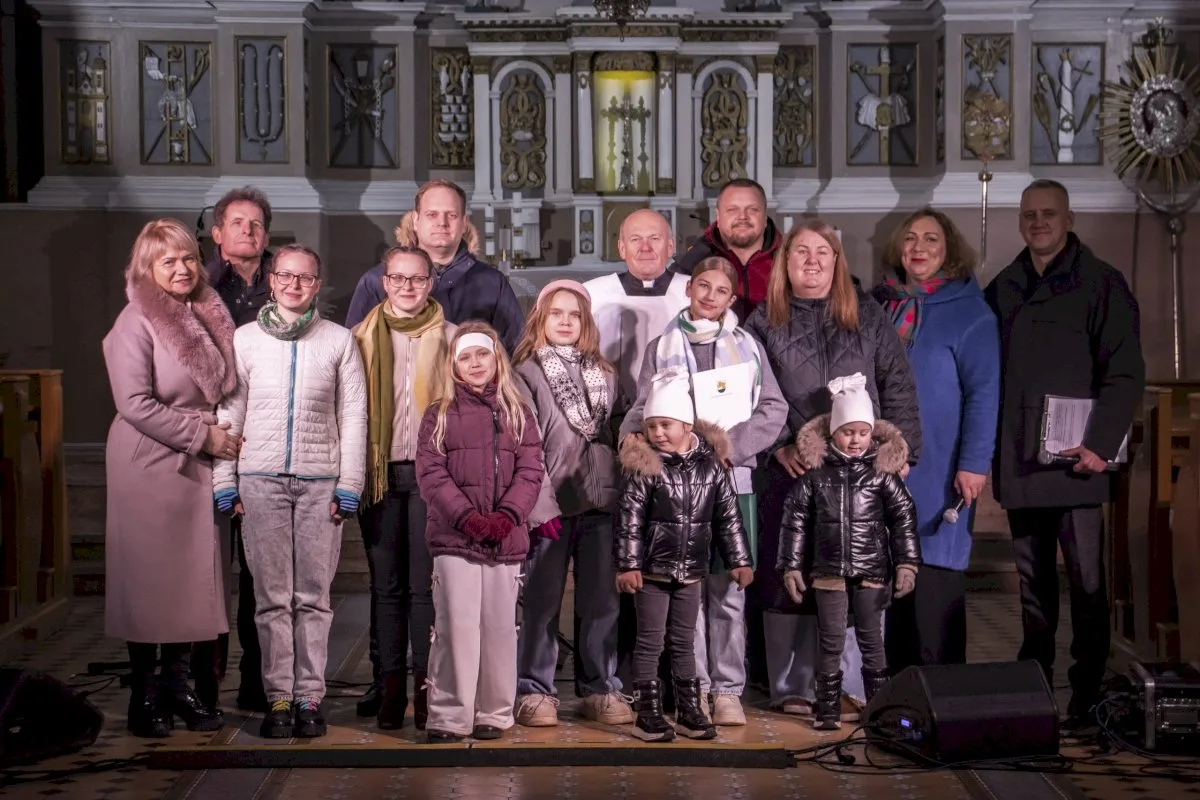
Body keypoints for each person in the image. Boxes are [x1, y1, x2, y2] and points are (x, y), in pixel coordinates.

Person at [744, 218, 921, 716]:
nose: (813, 261)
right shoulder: (763, 322)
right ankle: (793, 686)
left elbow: (898, 385)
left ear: (837, 263)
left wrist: (900, 452)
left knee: (857, 571)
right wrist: (778, 444)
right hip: (793, 474)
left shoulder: (866, 315)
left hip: (859, 475)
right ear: (786, 262)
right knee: (790, 576)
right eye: (802, 252)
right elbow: (750, 395)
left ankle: (855, 685)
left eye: (823, 253)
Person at [985, 179, 1144, 727]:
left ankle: (1088, 687)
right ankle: (1034, 678)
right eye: (1029, 214)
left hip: (1081, 460)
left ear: (1068, 218)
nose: (1038, 222)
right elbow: (988, 377)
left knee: (1086, 582)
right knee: (1034, 585)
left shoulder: (1103, 284)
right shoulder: (1005, 286)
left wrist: (1101, 446)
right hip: (1024, 458)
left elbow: (1125, 373)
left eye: (1049, 213)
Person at [620, 256, 787, 726]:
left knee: (728, 589)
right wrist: (630, 441)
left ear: (732, 299)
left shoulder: (748, 346)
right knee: (684, 585)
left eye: (721, 291)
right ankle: (694, 686)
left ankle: (729, 688)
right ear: (690, 289)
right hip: (676, 487)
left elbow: (773, 408)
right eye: (703, 287)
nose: (710, 296)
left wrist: (731, 447)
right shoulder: (662, 346)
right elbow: (643, 405)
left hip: (732, 479)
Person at [212, 244, 368, 739]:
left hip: (320, 481)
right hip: (260, 481)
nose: (294, 285)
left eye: (305, 278)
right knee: (272, 599)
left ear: (317, 284)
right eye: (286, 276)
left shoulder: (340, 341)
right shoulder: (245, 340)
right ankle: (279, 697)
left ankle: (310, 697)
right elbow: (229, 414)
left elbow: (355, 417)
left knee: (314, 598)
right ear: (273, 281)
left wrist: (350, 485)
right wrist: (224, 479)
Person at [102, 218, 237, 737]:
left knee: (190, 582)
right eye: (168, 261)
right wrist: (203, 437)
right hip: (152, 461)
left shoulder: (206, 310)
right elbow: (133, 403)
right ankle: (145, 693)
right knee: (151, 581)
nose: (181, 269)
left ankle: (179, 686)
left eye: (186, 258)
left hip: (200, 463)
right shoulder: (134, 321)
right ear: (147, 268)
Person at [872, 207, 1000, 671]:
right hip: (884, 464)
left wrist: (974, 463)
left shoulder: (971, 314)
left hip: (943, 466)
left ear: (949, 252)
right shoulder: (880, 306)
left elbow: (985, 394)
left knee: (934, 573)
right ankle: (895, 692)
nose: (918, 248)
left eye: (930, 239)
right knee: (886, 573)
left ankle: (941, 689)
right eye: (910, 239)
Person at [415, 323, 547, 743]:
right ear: (454, 364)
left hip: (504, 540)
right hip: (456, 539)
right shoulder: (438, 414)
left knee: (498, 629)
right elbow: (431, 475)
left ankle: (494, 712)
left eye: (482, 356)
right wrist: (469, 519)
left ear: (497, 360)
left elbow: (530, 470)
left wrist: (507, 516)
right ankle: (450, 716)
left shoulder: (518, 412)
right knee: (456, 627)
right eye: (466, 357)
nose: (475, 364)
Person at [511, 280, 628, 727]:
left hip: (601, 501)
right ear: (540, 319)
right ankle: (535, 688)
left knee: (601, 601)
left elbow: (624, 426)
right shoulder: (526, 372)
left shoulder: (609, 373)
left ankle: (599, 686)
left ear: (586, 323)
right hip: (551, 505)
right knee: (542, 601)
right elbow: (527, 443)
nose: (564, 321)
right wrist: (538, 507)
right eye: (556, 313)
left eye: (574, 315)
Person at [615, 367, 754, 742]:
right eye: (652, 426)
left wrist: (740, 559)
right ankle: (648, 712)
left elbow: (729, 518)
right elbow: (629, 521)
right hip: (653, 574)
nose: (658, 433)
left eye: (667, 425)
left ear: (687, 426)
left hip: (691, 572)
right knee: (650, 641)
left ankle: (691, 709)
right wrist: (629, 565)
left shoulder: (712, 467)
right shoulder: (645, 468)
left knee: (683, 642)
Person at [350, 245, 457, 731]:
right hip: (379, 473)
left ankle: (425, 692)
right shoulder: (358, 339)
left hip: (431, 475)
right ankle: (390, 690)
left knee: (423, 590)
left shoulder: (455, 339)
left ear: (431, 282)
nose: (408, 288)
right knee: (386, 589)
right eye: (398, 279)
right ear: (384, 282)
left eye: (418, 279)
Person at [778, 373, 920, 730]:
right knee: (831, 642)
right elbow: (794, 520)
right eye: (847, 432)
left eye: (862, 432)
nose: (855, 440)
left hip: (872, 571)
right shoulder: (815, 475)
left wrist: (907, 563)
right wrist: (791, 566)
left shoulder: (881, 475)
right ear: (833, 433)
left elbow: (903, 518)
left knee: (873, 643)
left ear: (872, 433)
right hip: (828, 571)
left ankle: (878, 711)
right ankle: (827, 711)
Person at [200, 185, 275, 713]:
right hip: (208, 439)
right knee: (205, 571)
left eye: (256, 223)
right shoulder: (196, 285)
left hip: (266, 439)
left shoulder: (287, 278)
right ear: (218, 233)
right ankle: (203, 683)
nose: (248, 230)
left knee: (258, 571)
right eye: (238, 222)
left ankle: (256, 680)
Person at [344, 180, 523, 351]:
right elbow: (354, 347)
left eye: (451, 215)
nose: (442, 223)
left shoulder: (492, 282)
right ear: (415, 220)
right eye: (432, 214)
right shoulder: (377, 280)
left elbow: (515, 347)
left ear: (463, 223)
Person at [583, 209, 691, 411]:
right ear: (622, 248)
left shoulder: (695, 294)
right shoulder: (592, 294)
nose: (645, 248)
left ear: (670, 247)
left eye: (654, 238)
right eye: (635, 239)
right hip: (610, 413)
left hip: (681, 412)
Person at [671, 178, 782, 322]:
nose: (742, 217)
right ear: (718, 215)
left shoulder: (788, 262)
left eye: (753, 209)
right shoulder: (690, 266)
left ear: (765, 216)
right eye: (732, 210)